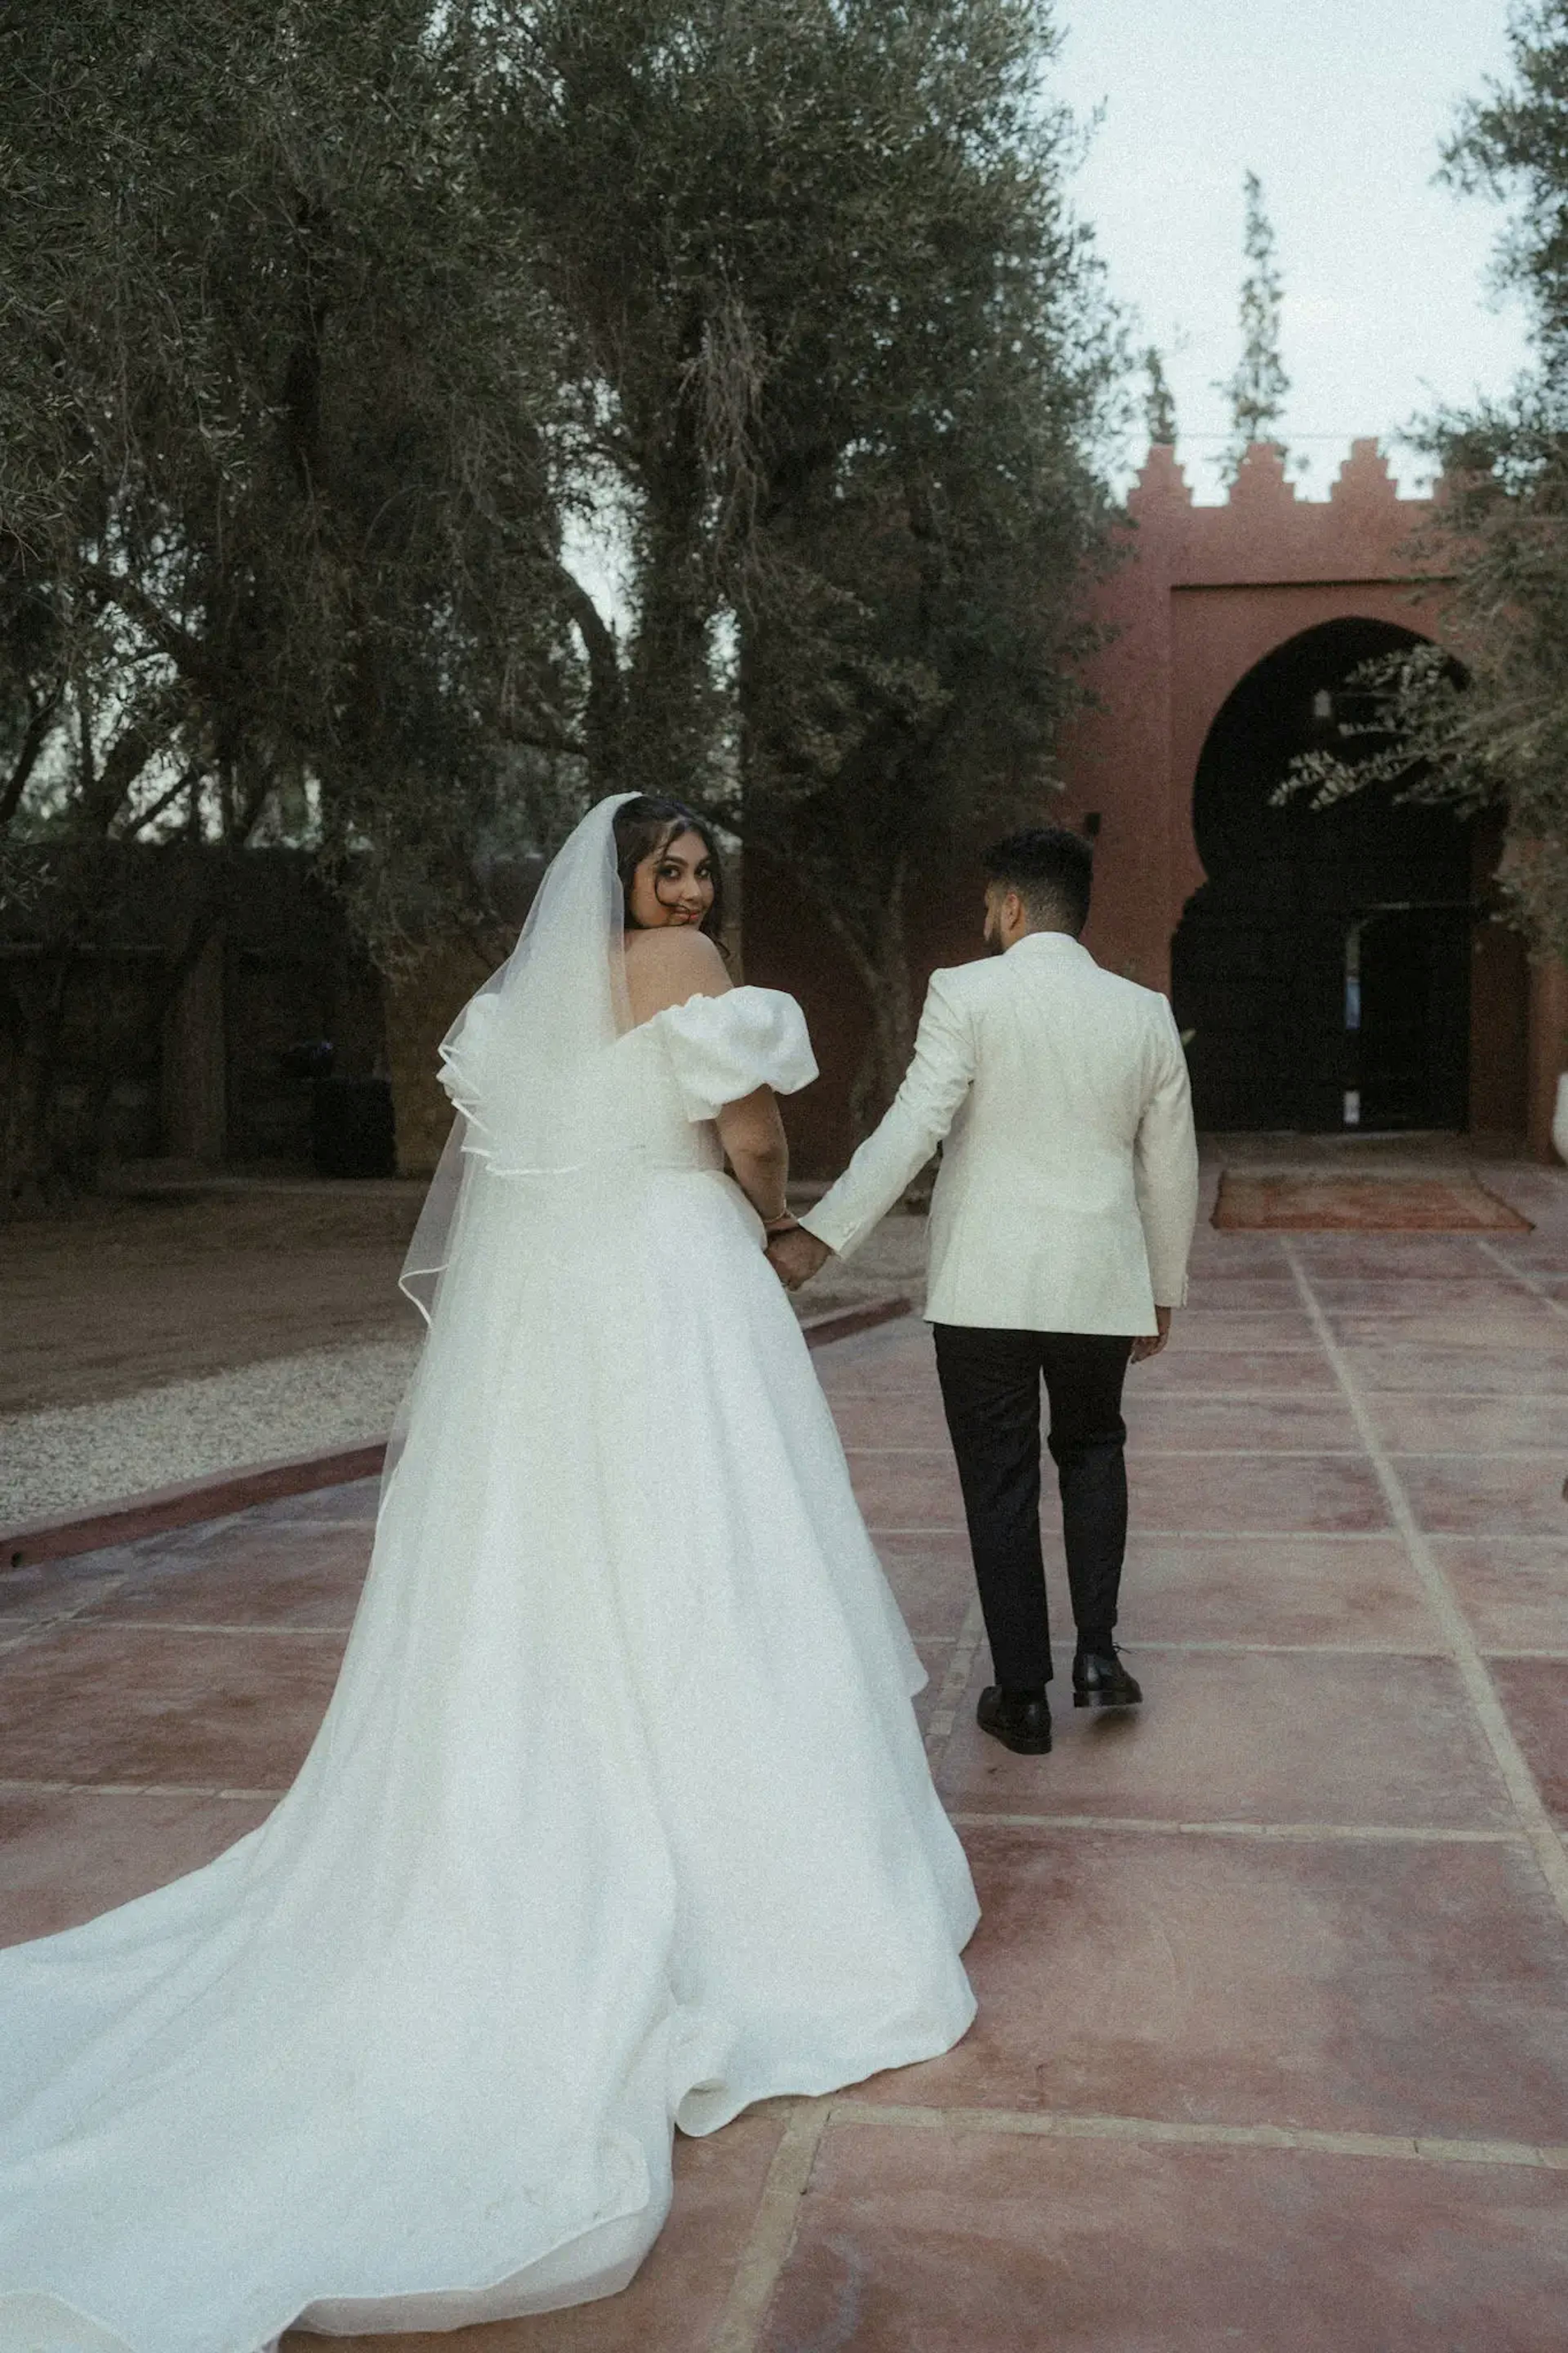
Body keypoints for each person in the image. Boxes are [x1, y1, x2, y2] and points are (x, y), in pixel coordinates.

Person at [0, 794, 976, 2353]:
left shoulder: (543, 998)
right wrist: (780, 1225)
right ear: (632, 880)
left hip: (577, 1294)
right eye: (671, 865)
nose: (690, 884)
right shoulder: (692, 966)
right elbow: (750, 1125)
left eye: (700, 867)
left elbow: (530, 1158)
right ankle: (758, 1856)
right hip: (675, 1268)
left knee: (587, 1535)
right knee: (715, 1538)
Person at [769, 825, 1199, 1758]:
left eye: (985, 906)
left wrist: (820, 1239)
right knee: (1093, 1451)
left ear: (1009, 905)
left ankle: (1023, 1697)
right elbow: (1172, 1169)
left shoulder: (964, 993)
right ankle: (1096, 1655)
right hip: (1097, 1283)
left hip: (983, 1290)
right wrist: (1162, 1288)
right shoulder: (1144, 1014)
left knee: (999, 1482)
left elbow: (913, 1127)